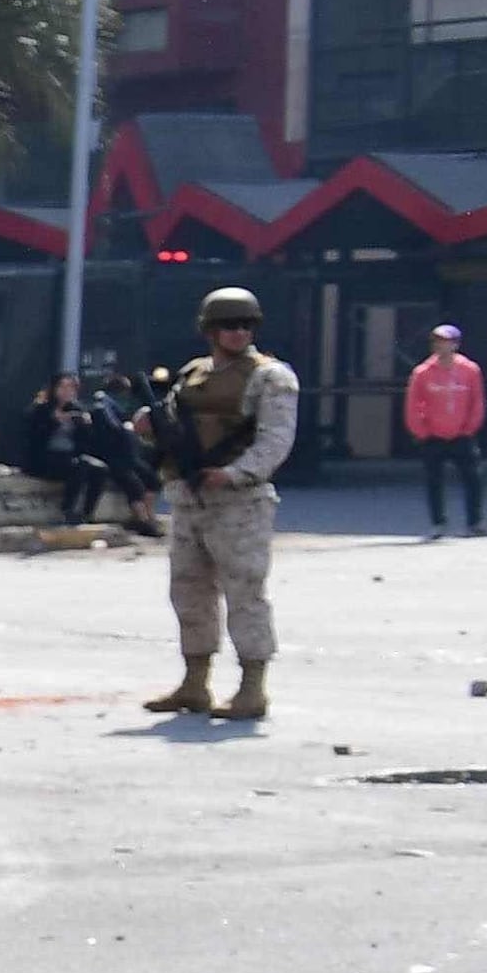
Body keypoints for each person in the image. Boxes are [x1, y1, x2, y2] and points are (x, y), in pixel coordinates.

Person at [142, 284, 303, 720]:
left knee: (244, 591)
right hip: (189, 498)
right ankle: (195, 682)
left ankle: (252, 688)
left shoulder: (270, 377)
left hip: (240, 501)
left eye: (246, 325)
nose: (238, 333)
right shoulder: (193, 374)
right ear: (209, 330)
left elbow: (275, 440)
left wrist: (234, 474)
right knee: (189, 591)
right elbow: (176, 425)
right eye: (229, 325)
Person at [405, 318, 486, 535]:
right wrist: (421, 431)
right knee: (434, 481)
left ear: (455, 344)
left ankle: (474, 523)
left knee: (473, 478)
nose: (441, 346)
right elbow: (413, 404)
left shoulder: (470, 370)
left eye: (446, 342)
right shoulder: (422, 372)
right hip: (433, 436)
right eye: (437, 341)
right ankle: (438, 523)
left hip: (462, 435)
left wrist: (469, 427)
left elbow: (477, 401)